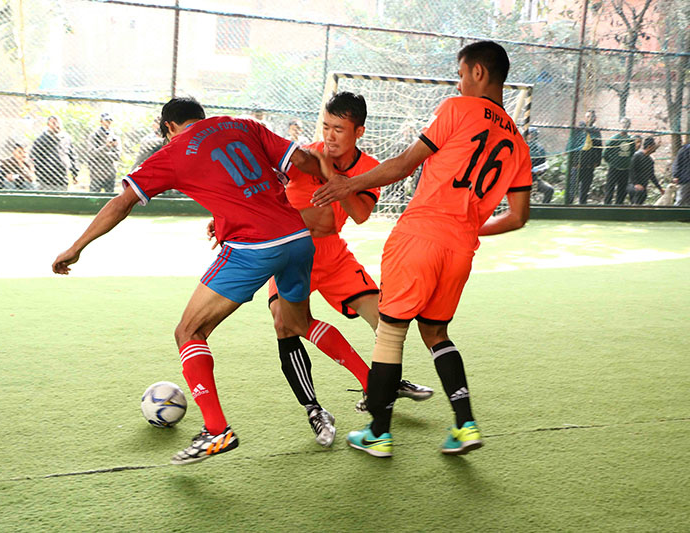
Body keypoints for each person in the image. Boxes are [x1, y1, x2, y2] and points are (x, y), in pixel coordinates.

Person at [52, 97, 334, 465]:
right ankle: (373, 386)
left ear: (169, 126)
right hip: (298, 237)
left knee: (188, 332)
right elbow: (304, 160)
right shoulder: (241, 124)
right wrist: (335, 180)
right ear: (200, 117)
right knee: (298, 323)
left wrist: (76, 247)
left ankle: (217, 430)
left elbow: (122, 203)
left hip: (253, 247)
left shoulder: (173, 151)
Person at [312, 41, 532, 458]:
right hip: (460, 250)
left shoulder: (457, 108)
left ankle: (378, 433)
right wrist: (468, 229)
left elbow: (404, 164)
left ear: (478, 73)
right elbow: (518, 216)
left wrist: (349, 184)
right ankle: (465, 425)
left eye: (461, 74)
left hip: (418, 237)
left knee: (391, 331)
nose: (459, 83)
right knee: (435, 333)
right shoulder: (518, 142)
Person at [260, 92, 433, 447]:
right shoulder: (303, 155)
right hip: (292, 253)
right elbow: (262, 186)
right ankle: (317, 408)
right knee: (284, 324)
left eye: (339, 129)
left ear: (359, 132)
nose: (330, 135)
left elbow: (361, 213)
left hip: (333, 254)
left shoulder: (370, 166)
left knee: (386, 320)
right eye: (326, 126)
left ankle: (385, 382)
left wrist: (337, 182)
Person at [32, 116, 78, 191]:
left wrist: (75, 173)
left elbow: (72, 156)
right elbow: (35, 158)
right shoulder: (41, 140)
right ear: (48, 125)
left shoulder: (66, 139)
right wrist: (40, 172)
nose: (56, 125)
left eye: (58, 123)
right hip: (45, 179)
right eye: (53, 123)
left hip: (62, 177)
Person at [565, 110, 602, 204]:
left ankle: (582, 205)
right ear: (585, 118)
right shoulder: (578, 130)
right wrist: (573, 162)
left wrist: (597, 162)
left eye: (592, 117)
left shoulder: (595, 132)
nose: (590, 119)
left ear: (595, 119)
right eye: (588, 117)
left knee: (585, 189)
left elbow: (599, 148)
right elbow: (571, 146)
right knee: (572, 189)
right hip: (577, 165)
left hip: (589, 165)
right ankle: (568, 205)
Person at [603, 118, 636, 204]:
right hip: (614, 168)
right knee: (610, 188)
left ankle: (618, 206)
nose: (625, 125)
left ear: (629, 126)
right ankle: (607, 206)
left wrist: (627, 163)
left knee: (622, 191)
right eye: (623, 123)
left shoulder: (630, 140)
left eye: (627, 123)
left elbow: (632, 153)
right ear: (619, 124)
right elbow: (605, 154)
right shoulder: (614, 139)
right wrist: (611, 162)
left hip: (625, 169)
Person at [86, 112, 121, 193]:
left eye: (110, 120)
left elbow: (117, 156)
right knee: (93, 197)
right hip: (96, 172)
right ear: (101, 121)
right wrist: (106, 147)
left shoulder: (115, 137)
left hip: (110, 173)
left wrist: (101, 154)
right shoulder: (94, 136)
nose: (108, 122)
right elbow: (92, 154)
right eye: (106, 120)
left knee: (109, 197)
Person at [628, 137, 663, 205]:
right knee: (639, 193)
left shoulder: (650, 160)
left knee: (643, 194)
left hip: (643, 186)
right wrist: (636, 184)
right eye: (654, 146)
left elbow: (651, 175)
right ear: (649, 147)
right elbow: (631, 170)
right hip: (632, 184)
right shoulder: (637, 156)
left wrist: (660, 188)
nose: (655, 149)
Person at [528, 127, 553, 203]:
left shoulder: (539, 148)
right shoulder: (520, 145)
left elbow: (543, 165)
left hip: (533, 179)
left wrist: (539, 170)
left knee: (549, 190)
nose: (532, 136)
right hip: (519, 180)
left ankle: (543, 208)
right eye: (530, 134)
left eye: (534, 134)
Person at [672, 141, 690, 206]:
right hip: (685, 179)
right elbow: (677, 163)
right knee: (680, 199)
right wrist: (675, 175)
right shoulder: (684, 150)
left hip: (685, 177)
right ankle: (676, 211)